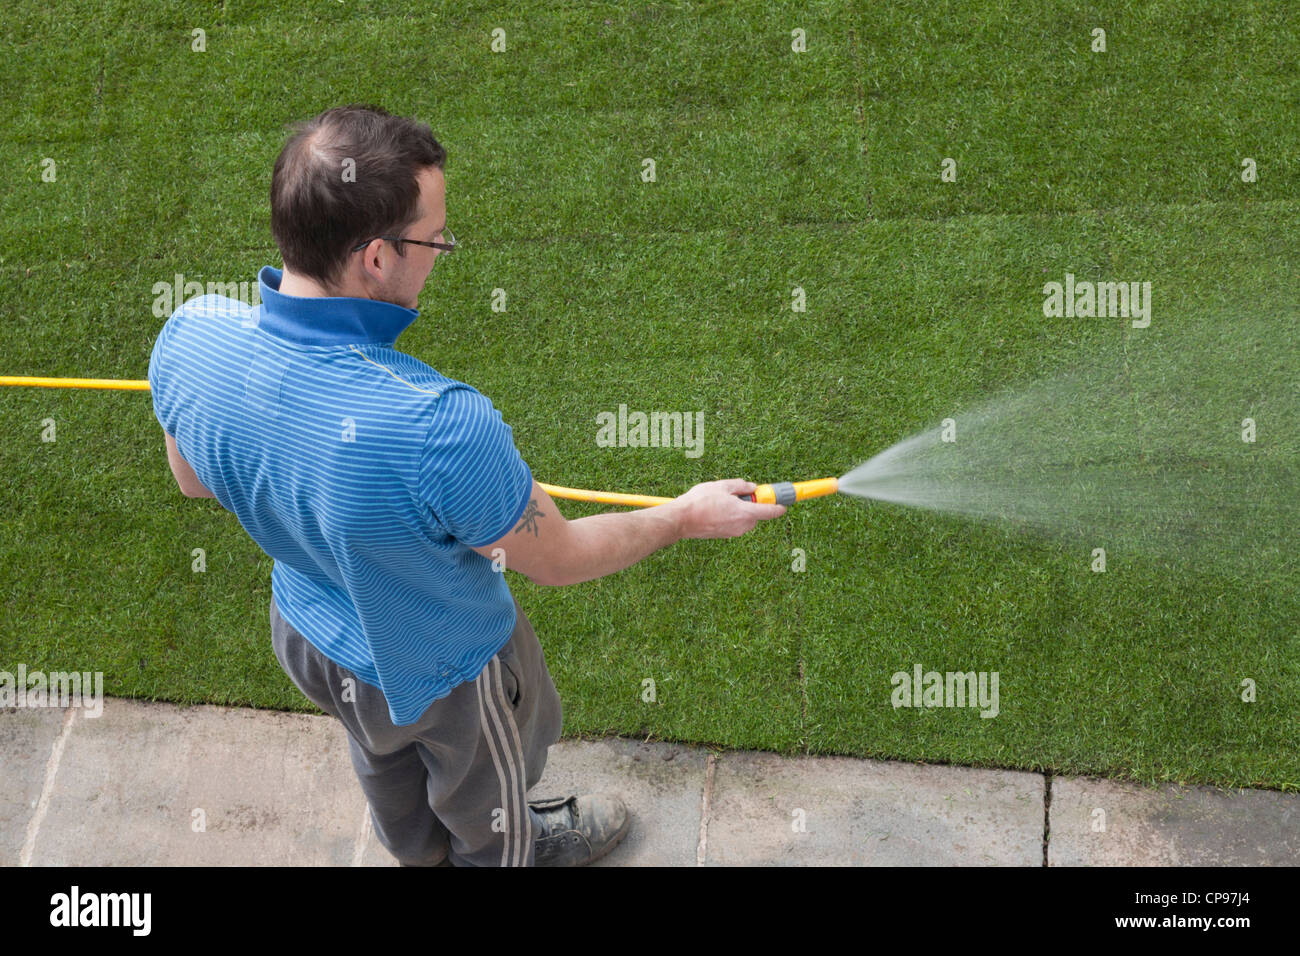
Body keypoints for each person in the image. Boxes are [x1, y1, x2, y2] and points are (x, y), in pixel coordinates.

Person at [148, 104, 787, 867]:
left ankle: (419, 855)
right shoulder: (440, 427)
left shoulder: (192, 332)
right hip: (447, 671)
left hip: (311, 640)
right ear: (377, 257)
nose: (443, 249)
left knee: (383, 761)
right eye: (435, 238)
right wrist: (683, 516)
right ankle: (502, 852)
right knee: (488, 799)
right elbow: (559, 559)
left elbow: (192, 480)